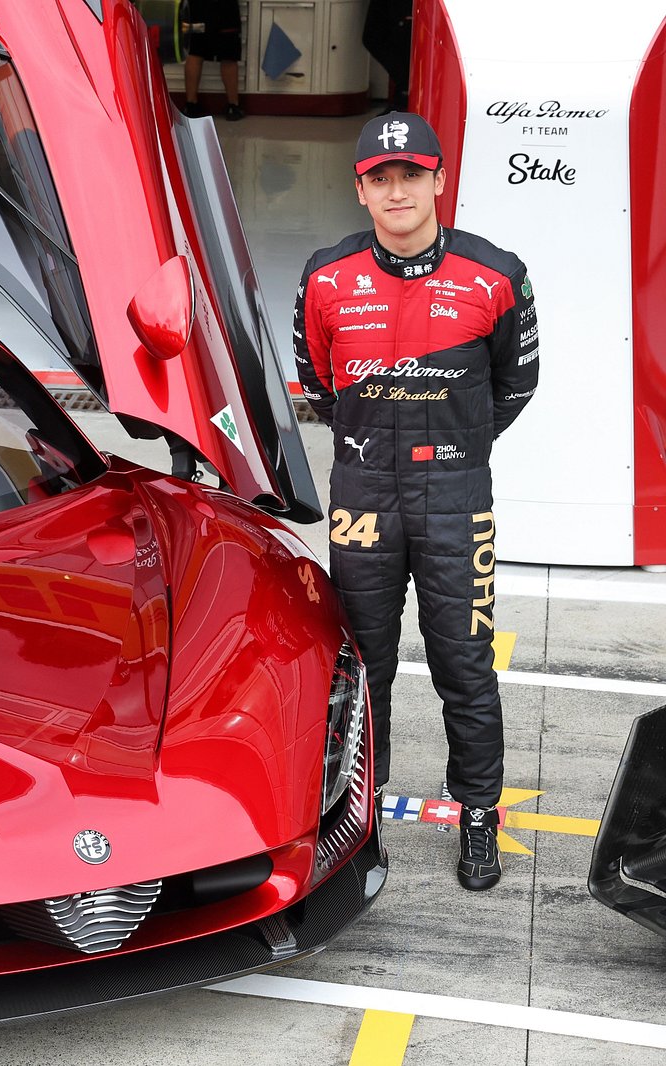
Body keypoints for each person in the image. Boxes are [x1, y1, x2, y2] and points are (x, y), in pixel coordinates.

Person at [293, 113, 538, 892]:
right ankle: (359, 816)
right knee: (363, 666)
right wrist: (383, 449)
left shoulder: (495, 273)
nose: (396, 190)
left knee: (464, 663)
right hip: (362, 493)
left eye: (411, 174)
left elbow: (517, 386)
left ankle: (477, 816)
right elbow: (319, 388)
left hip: (455, 498)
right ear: (360, 190)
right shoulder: (326, 278)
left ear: (439, 180)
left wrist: (452, 447)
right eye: (380, 178)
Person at [181, 0, 243, 120]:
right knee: (228, 54)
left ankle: (190, 105)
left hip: (199, 7)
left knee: (195, 51)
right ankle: (233, 106)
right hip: (226, 7)